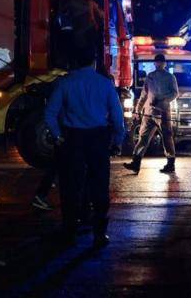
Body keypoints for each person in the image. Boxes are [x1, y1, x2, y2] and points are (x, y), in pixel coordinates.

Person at [44, 46, 124, 248]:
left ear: (76, 62)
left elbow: (50, 113)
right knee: (99, 184)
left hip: (72, 140)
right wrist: (117, 140)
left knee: (71, 185)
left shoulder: (65, 83)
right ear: (93, 62)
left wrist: (58, 136)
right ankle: (99, 233)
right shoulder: (105, 84)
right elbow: (117, 117)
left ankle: (69, 231)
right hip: (98, 139)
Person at [123, 53, 179, 174]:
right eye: (157, 62)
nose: (159, 64)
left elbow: (175, 93)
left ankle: (170, 163)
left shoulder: (170, 77)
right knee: (143, 137)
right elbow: (144, 94)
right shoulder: (150, 76)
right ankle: (135, 163)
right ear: (155, 63)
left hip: (163, 112)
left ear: (164, 63)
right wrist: (138, 109)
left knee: (167, 137)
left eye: (161, 62)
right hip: (148, 113)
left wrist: (163, 100)